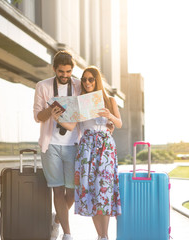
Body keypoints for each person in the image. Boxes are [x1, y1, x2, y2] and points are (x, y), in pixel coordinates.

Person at [53, 66, 122, 240]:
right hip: (87, 149)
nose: (87, 82)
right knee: (92, 191)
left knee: (104, 191)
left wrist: (110, 117)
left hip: (106, 148)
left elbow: (119, 124)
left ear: (97, 80)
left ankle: (104, 236)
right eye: (84, 79)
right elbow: (71, 126)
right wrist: (57, 117)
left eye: (91, 79)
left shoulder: (110, 101)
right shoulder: (81, 102)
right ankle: (100, 236)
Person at [33, 50, 81, 240]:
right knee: (58, 190)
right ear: (54, 69)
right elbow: (37, 117)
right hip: (50, 145)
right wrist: (51, 110)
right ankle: (67, 234)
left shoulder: (78, 85)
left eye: (68, 72)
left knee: (73, 192)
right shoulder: (42, 86)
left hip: (73, 145)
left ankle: (58, 221)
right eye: (61, 71)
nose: (65, 75)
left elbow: (89, 105)